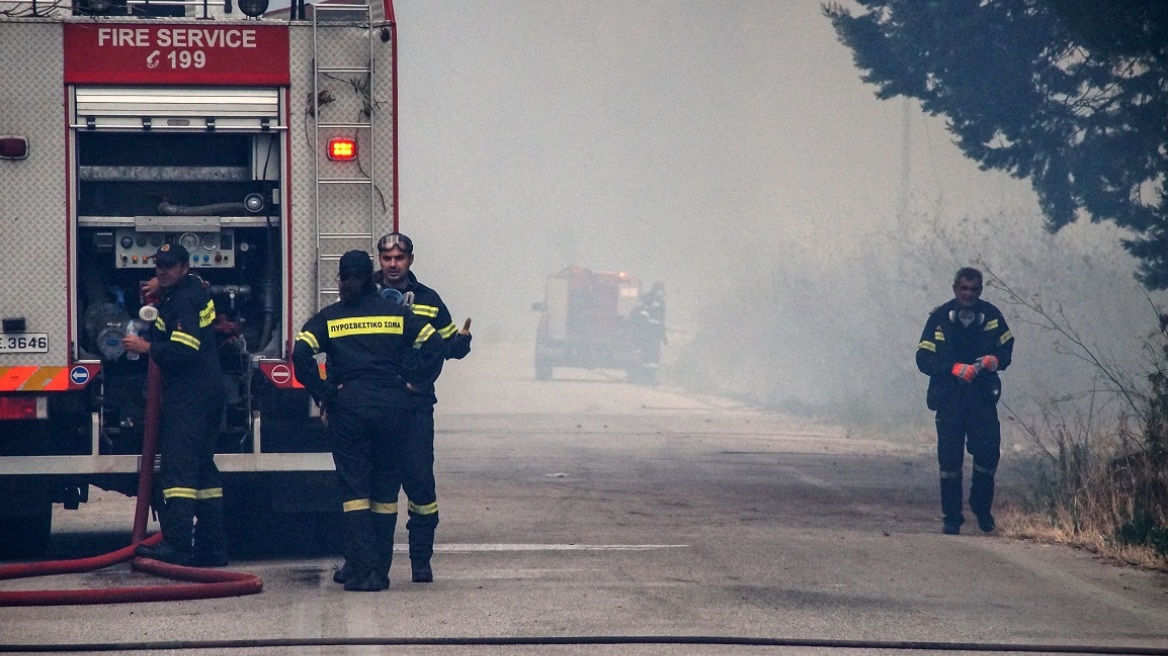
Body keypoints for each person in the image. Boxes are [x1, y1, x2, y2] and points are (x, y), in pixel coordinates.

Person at [293, 250, 444, 591]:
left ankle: (363, 570)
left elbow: (300, 354)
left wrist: (324, 392)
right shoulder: (398, 314)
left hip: (350, 410)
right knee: (385, 492)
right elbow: (435, 345)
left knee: (355, 492)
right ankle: (379, 570)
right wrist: (413, 382)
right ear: (373, 276)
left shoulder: (330, 318)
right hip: (393, 409)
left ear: (340, 280)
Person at [373, 232, 471, 583]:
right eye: (387, 258)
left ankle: (420, 562)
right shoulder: (364, 296)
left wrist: (461, 343)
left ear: (411, 260)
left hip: (415, 407)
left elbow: (447, 347)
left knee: (420, 483)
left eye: (399, 258)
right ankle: (367, 562)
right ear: (379, 260)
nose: (393, 264)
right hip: (376, 406)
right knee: (373, 488)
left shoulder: (429, 300)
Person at [125, 243, 229, 567]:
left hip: (190, 395)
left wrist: (146, 348)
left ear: (184, 267)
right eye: (159, 266)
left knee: (179, 471)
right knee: (203, 470)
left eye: (169, 267)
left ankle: (177, 545)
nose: (162, 271)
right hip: (207, 390)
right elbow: (190, 289)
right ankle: (213, 548)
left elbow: (185, 350)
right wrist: (161, 288)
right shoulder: (193, 287)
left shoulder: (183, 300)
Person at [916, 267, 1015, 535]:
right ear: (955, 289)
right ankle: (952, 518)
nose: (968, 294)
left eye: (973, 289)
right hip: (949, 399)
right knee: (949, 460)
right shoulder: (939, 318)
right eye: (964, 288)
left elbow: (1007, 347)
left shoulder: (992, 316)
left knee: (988, 454)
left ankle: (981, 508)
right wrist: (953, 368)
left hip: (982, 399)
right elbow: (923, 359)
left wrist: (995, 360)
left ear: (980, 291)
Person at [630, 281, 667, 381]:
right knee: (646, 355)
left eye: (661, 290)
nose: (660, 292)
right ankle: (643, 377)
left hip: (655, 334)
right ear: (654, 289)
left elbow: (661, 321)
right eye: (659, 290)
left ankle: (651, 377)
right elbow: (639, 313)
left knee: (654, 358)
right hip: (647, 333)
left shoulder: (661, 301)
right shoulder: (647, 299)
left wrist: (663, 335)